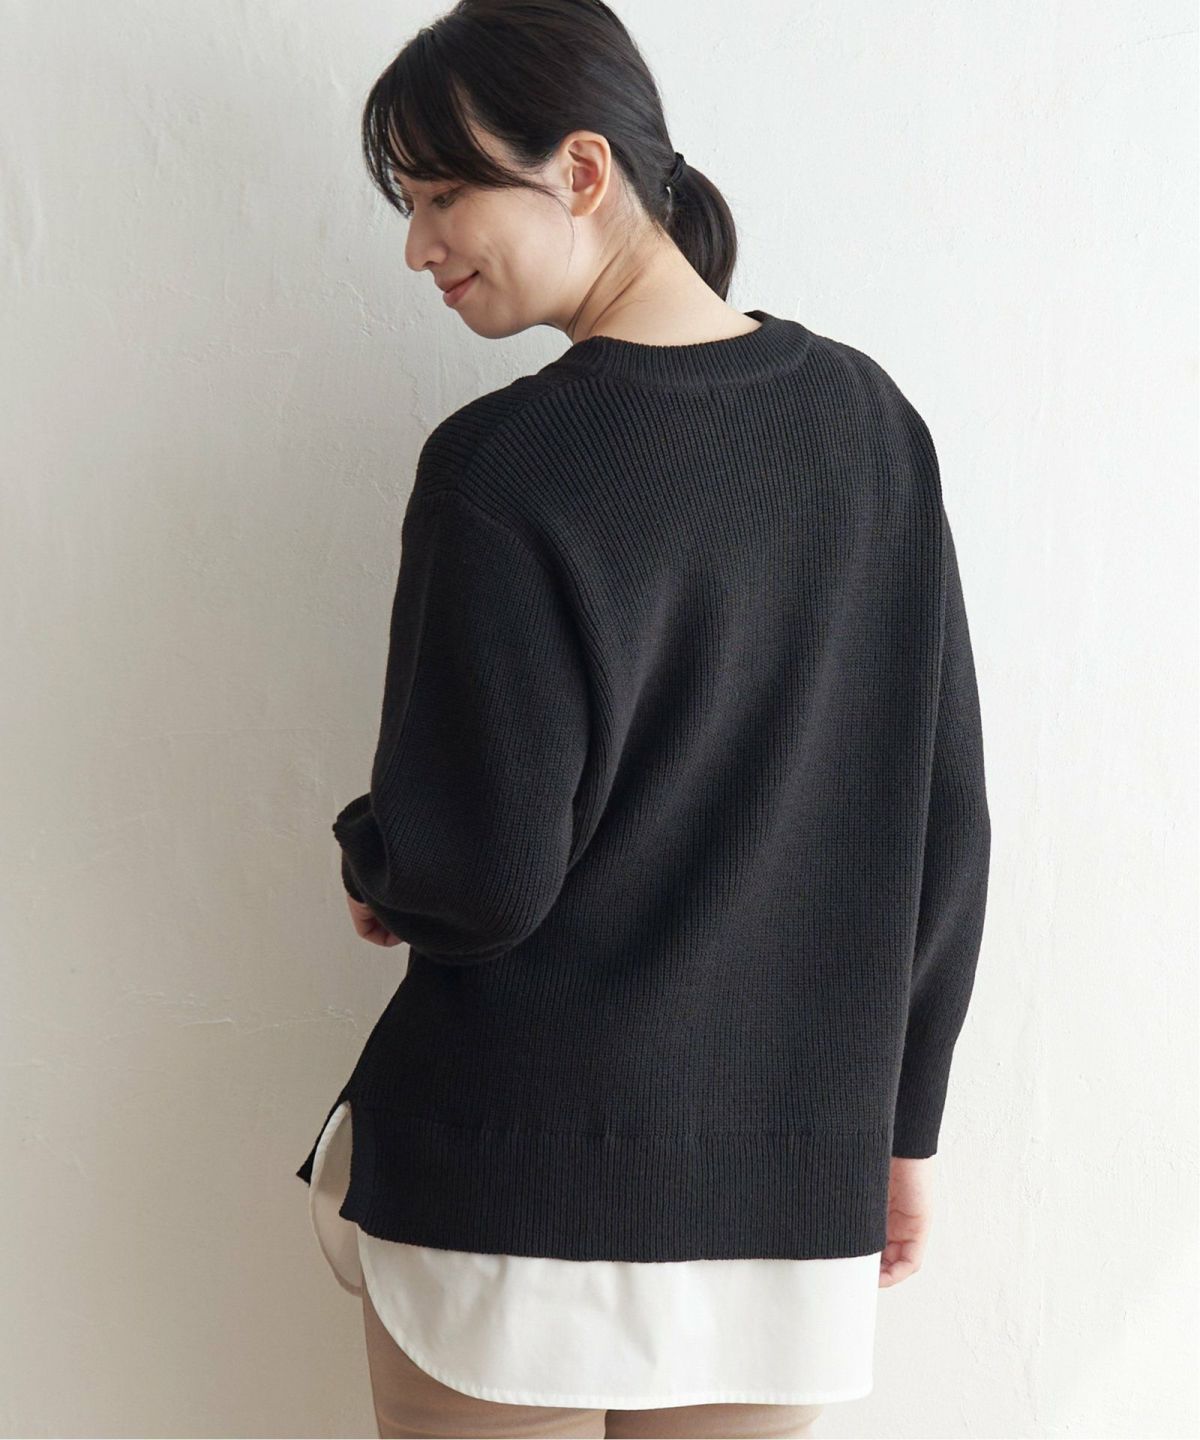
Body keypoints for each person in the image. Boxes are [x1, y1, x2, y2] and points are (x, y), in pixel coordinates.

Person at [295, 2, 992, 1437]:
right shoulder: (869, 429)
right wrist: (903, 1127)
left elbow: (477, 880)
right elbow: (941, 821)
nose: (419, 246)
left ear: (581, 170)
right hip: (779, 1190)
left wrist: (378, 859)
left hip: (510, 1188)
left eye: (443, 195)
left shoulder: (504, 468)